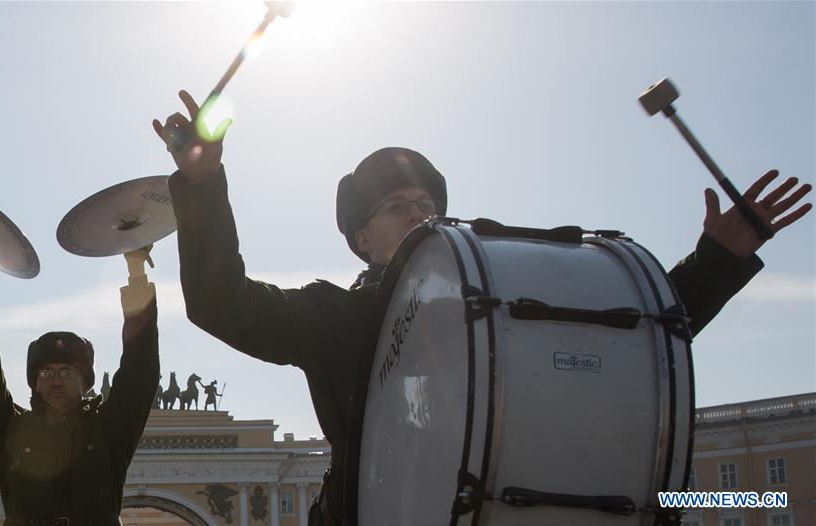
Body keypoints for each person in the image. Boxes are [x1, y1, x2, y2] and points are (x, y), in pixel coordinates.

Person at [153, 90, 811, 525]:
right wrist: (201, 189)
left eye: (426, 206)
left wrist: (719, 257)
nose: (417, 213)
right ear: (361, 241)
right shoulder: (336, 318)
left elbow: (629, 341)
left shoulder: (495, 297)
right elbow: (221, 303)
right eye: (395, 207)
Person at [0, 244, 160, 524]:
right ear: (34, 384)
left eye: (67, 372)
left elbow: (141, 368)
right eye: (45, 373)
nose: (55, 380)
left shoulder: (110, 430)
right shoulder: (9, 430)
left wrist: (136, 273)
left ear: (85, 383)